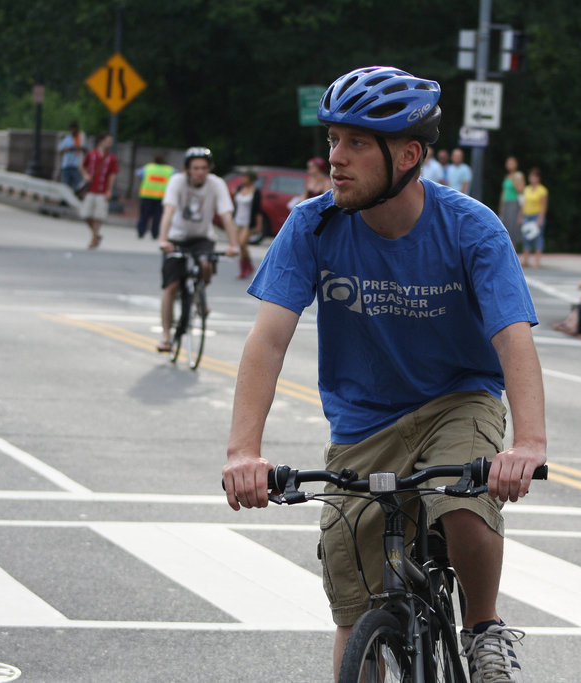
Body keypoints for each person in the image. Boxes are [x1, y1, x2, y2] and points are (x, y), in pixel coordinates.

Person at [222, 66, 546, 682]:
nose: (335, 159)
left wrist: (528, 443)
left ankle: (483, 628)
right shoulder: (312, 225)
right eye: (333, 141)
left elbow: (513, 339)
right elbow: (267, 341)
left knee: (461, 504)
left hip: (458, 398)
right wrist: (244, 451)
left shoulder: (472, 228)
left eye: (356, 143)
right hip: (363, 418)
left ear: (409, 155)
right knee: (357, 604)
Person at [156, 147, 239, 352]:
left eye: (204, 168)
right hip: (176, 237)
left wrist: (233, 244)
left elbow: (226, 215)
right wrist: (163, 239)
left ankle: (200, 294)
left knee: (205, 263)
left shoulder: (216, 184)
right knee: (171, 287)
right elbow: (169, 210)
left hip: (202, 237)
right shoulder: (177, 182)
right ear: (187, 169)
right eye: (195, 168)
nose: (200, 172)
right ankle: (166, 336)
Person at [78, 133, 119, 249]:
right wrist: (85, 175)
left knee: (98, 216)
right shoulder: (91, 154)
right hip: (91, 189)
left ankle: (93, 239)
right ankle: (96, 235)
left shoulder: (111, 158)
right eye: (108, 141)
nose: (110, 143)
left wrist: (109, 190)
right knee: (85, 214)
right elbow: (82, 166)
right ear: (101, 141)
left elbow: (112, 174)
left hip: (102, 190)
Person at [232, 170, 263, 279]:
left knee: (242, 243)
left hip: (248, 222)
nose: (243, 179)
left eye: (245, 177)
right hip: (238, 220)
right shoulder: (240, 189)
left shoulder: (255, 191)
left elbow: (258, 209)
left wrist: (259, 225)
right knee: (239, 246)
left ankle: (248, 265)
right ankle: (243, 268)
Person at [135, 155, 174, 240]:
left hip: (147, 195)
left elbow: (138, 174)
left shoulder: (149, 167)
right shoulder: (169, 170)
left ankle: (141, 232)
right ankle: (155, 234)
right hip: (161, 196)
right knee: (158, 216)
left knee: (144, 215)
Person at [519, 167, 548, 268]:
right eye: (531, 177)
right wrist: (521, 216)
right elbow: (524, 204)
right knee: (526, 237)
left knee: (538, 237)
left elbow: (544, 205)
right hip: (527, 215)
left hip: (536, 215)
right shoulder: (526, 189)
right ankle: (525, 259)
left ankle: (537, 260)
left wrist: (540, 218)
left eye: (534, 177)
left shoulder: (542, 190)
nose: (532, 179)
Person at [498, 156, 525, 247]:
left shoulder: (518, 175)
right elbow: (503, 192)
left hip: (514, 203)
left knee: (513, 228)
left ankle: (514, 250)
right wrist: (501, 207)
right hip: (506, 203)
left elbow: (520, 190)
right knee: (505, 227)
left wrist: (514, 180)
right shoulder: (506, 176)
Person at [57, 123, 85, 192]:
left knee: (76, 184)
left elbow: (85, 149)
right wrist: (69, 149)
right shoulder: (67, 139)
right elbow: (60, 150)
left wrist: (79, 148)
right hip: (67, 165)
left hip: (76, 165)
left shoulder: (80, 139)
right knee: (65, 184)